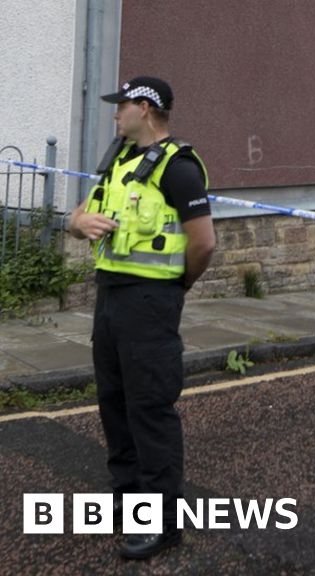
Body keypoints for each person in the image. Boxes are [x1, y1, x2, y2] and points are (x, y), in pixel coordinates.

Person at [67, 76, 216, 560]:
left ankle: (163, 523)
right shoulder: (119, 160)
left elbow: (203, 243)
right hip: (110, 296)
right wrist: (77, 222)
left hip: (151, 301)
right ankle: (127, 497)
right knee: (114, 401)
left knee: (150, 409)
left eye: (122, 106)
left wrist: (178, 288)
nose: (115, 114)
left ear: (146, 110)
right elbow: (82, 213)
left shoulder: (179, 168)